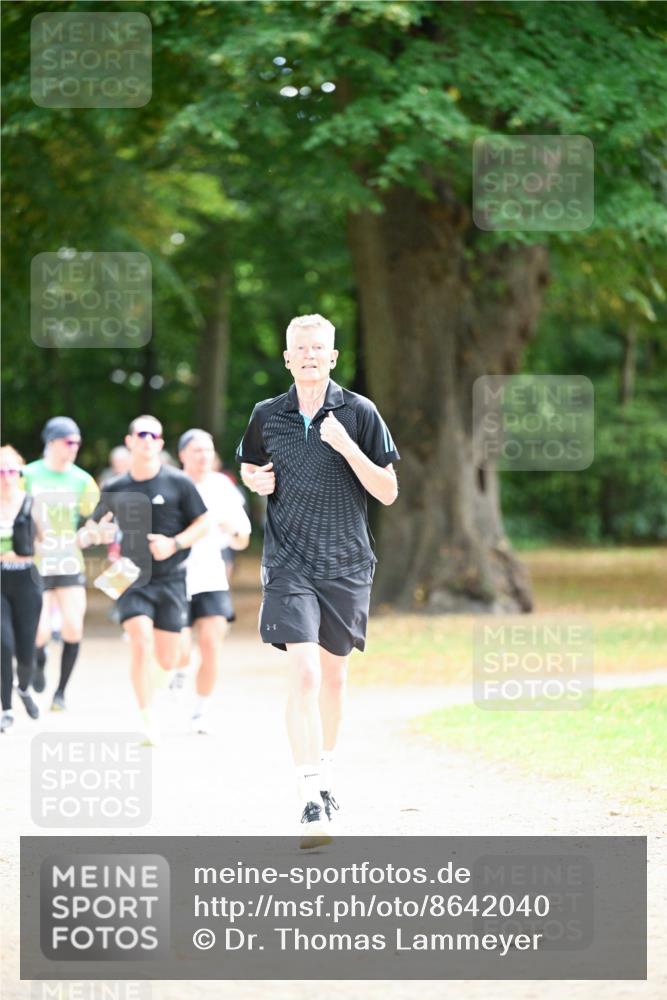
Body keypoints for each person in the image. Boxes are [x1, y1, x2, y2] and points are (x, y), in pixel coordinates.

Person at [237, 313, 399, 846]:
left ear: (333, 357)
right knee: (304, 675)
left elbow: (389, 492)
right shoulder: (267, 414)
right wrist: (254, 478)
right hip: (289, 563)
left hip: (347, 563)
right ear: (287, 358)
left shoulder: (360, 413)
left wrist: (347, 447)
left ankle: (327, 778)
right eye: (299, 348)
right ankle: (310, 799)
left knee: (334, 679)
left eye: (318, 348)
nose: (308, 355)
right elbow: (250, 466)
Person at [78, 415, 209, 745]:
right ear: (130, 441)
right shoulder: (116, 487)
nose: (148, 439)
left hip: (171, 579)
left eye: (155, 435)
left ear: (161, 444)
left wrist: (174, 543)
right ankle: (147, 718)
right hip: (131, 575)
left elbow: (203, 523)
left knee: (168, 658)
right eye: (142, 434)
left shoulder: (179, 483)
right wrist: (90, 535)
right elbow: (93, 527)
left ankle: (163, 681)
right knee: (139, 639)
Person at [177, 429, 251, 733]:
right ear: (182, 455)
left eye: (208, 450)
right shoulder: (170, 484)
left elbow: (242, 540)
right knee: (179, 651)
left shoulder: (223, 487)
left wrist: (232, 530)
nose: (204, 456)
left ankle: (201, 710)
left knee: (211, 643)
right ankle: (180, 667)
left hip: (211, 576)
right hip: (175, 578)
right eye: (197, 450)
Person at [23, 417, 99, 710]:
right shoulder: (27, 475)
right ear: (52, 442)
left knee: (72, 627)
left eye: (78, 442)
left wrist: (90, 533)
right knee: (39, 631)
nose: (75, 447)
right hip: (35, 564)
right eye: (69, 442)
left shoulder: (81, 480)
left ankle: (60, 693)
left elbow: (101, 518)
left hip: (69, 561)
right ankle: (39, 660)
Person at [0, 446, 44, 732]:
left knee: (26, 651)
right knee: (4, 645)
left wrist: (30, 551)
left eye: (12, 471)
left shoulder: (32, 503)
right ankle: (6, 709)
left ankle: (24, 688)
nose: (6, 477)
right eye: (1, 472)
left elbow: (47, 541)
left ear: (21, 472)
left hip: (27, 580)